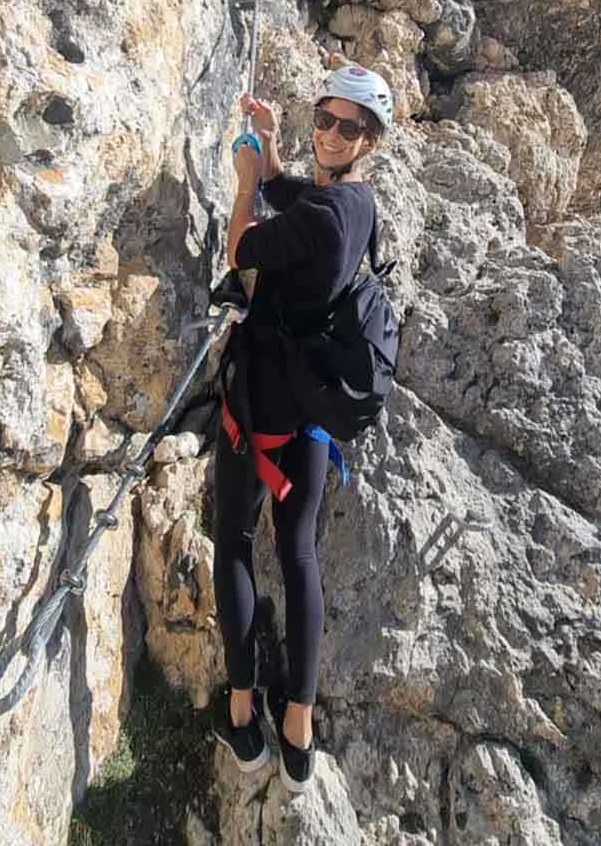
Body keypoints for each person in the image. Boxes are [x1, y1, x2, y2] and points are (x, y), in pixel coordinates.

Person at [208, 66, 393, 793]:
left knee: (232, 543)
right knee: (299, 555)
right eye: (324, 118)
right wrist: (278, 155)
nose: (330, 133)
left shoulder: (320, 218)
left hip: (261, 406)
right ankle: (299, 738)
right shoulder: (358, 205)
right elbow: (305, 211)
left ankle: (243, 716)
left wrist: (248, 180)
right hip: (314, 416)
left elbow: (242, 250)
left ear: (369, 138)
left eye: (346, 127)